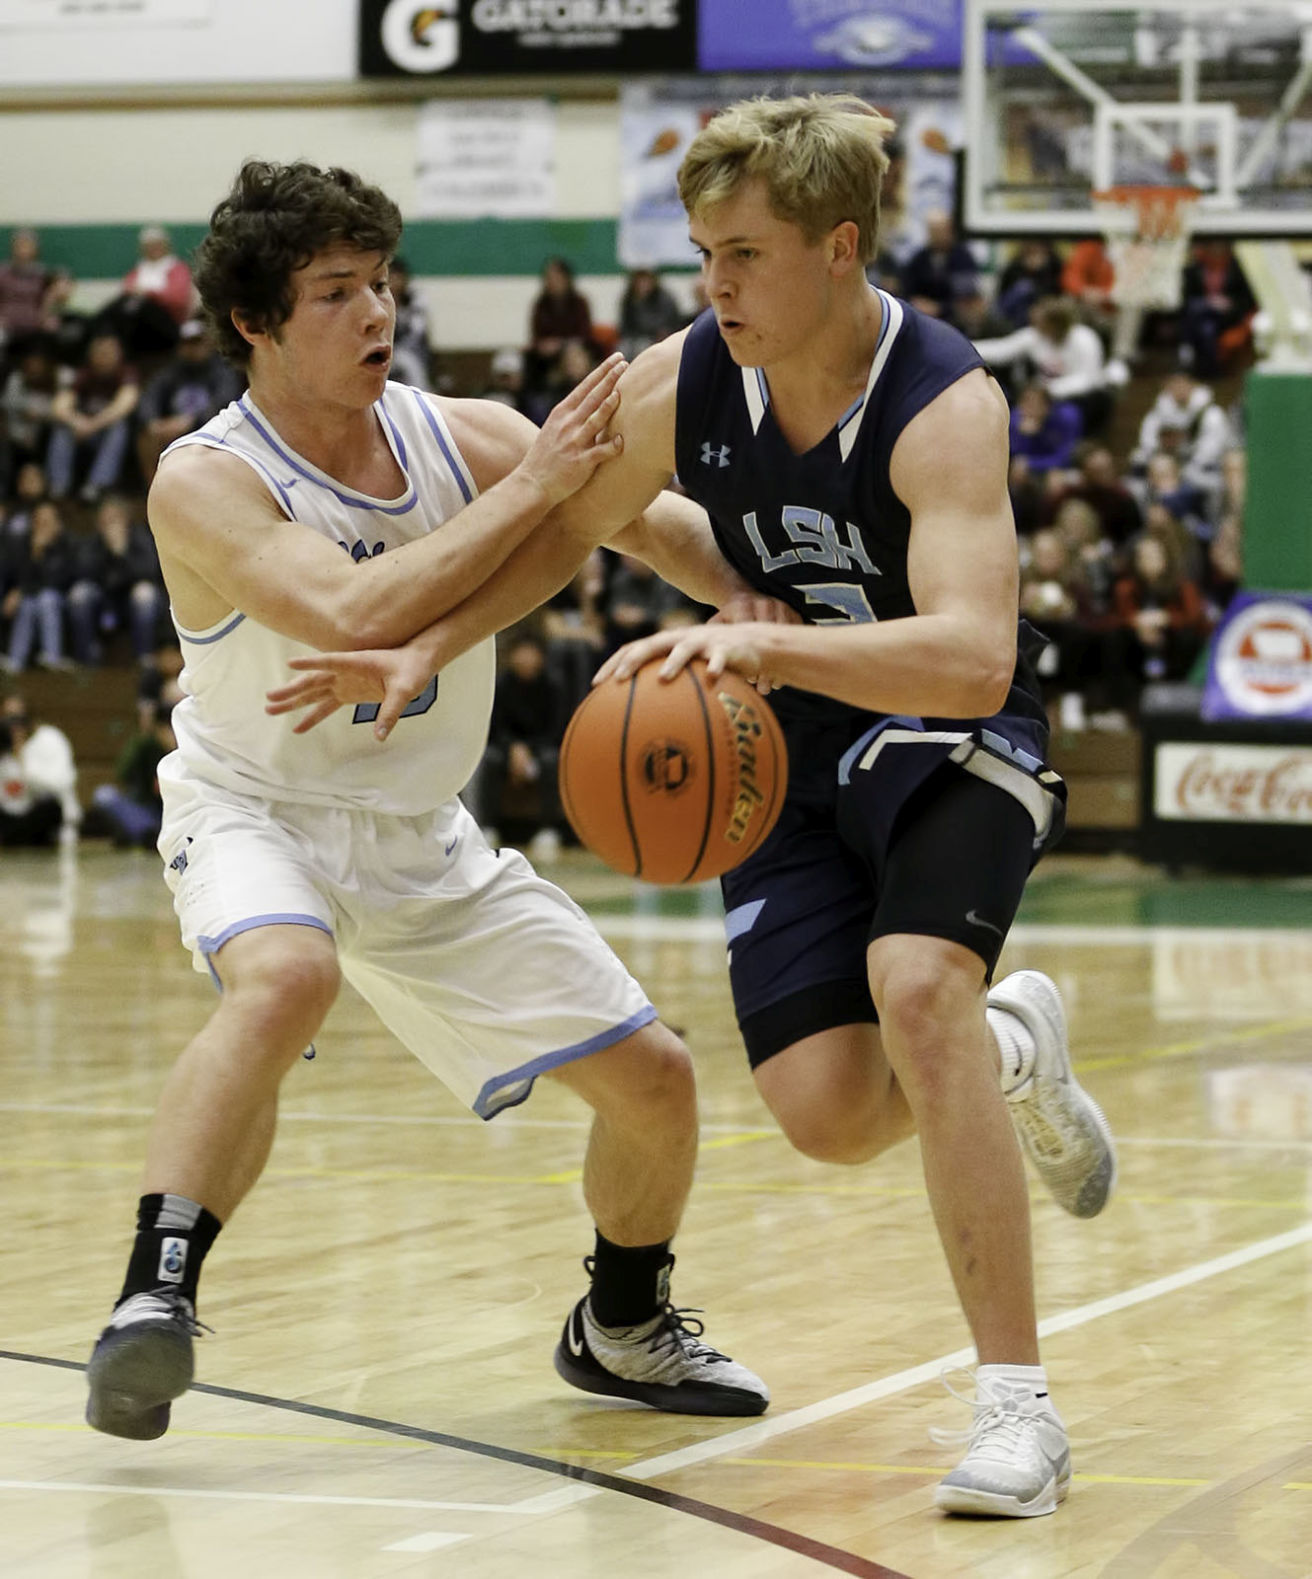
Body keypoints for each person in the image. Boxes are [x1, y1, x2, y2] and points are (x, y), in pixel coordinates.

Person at [270, 95, 1118, 1520]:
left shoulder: (941, 399)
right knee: (832, 1116)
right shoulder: (686, 376)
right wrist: (429, 641)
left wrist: (766, 641)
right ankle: (1015, 1040)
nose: (712, 283)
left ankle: (1017, 1410)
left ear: (840, 250)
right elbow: (568, 517)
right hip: (777, 748)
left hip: (950, 730)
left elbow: (972, 652)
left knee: (915, 987)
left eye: (744, 253)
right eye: (702, 251)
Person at [83, 158, 769, 1446]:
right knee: (284, 979)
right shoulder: (207, 478)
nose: (376, 314)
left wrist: (750, 600)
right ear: (254, 322)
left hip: (422, 837)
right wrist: (535, 485)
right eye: (336, 292)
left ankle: (621, 1325)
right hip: (252, 809)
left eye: (382, 283)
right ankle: (149, 1302)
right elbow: (355, 609)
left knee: (660, 1087)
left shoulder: (464, 434)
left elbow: (654, 523)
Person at [0, 691, 80, 845]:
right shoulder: (3, 750)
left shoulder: (49, 739)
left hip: (40, 815)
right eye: (8, 718)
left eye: (19, 718)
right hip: (10, 819)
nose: (14, 726)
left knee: (49, 805)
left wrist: (23, 760)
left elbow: (61, 784)